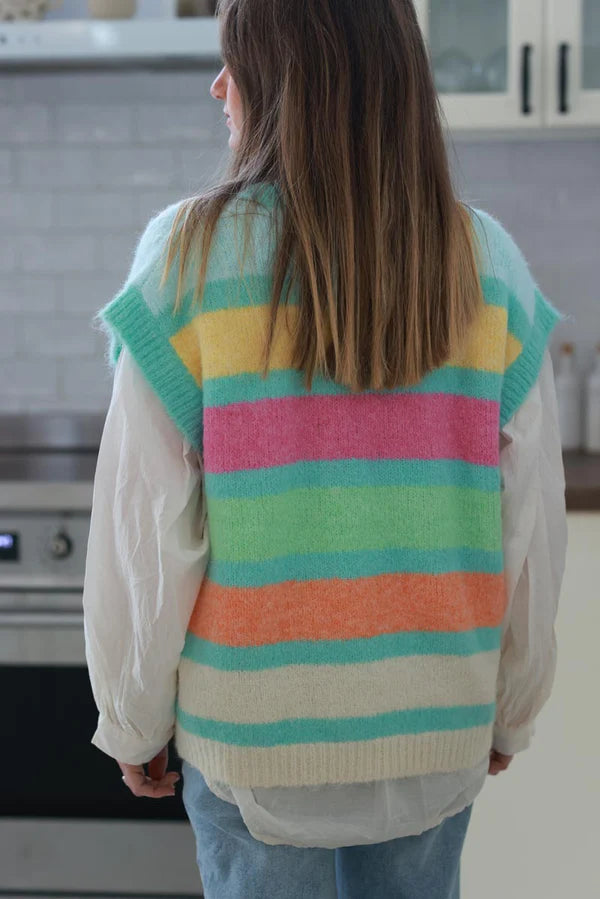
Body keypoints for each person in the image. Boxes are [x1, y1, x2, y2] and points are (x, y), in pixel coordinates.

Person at [82, 1, 568, 896]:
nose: (216, 86)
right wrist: (513, 705)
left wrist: (132, 715)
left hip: (254, 738)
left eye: (237, 63)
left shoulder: (188, 258)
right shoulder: (487, 262)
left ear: (286, 83)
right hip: (435, 723)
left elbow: (144, 533)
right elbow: (529, 521)